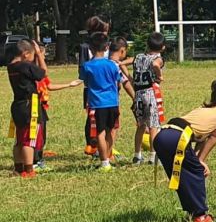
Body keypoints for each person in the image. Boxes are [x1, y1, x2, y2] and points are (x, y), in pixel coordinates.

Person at [153, 78, 216, 222]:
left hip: (162, 136)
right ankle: (200, 217)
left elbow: (200, 137)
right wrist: (201, 161)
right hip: (177, 138)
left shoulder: (205, 109)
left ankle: (193, 213)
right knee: (197, 172)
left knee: (182, 177)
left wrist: (198, 157)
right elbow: (214, 136)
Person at [8, 40, 80, 176]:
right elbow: (44, 73)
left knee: (19, 139)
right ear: (25, 54)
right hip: (30, 105)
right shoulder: (25, 66)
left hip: (17, 104)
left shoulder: (11, 66)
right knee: (29, 139)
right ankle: (29, 170)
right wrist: (40, 55)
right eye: (33, 55)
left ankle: (18, 168)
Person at [81, 32, 135, 170]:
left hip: (97, 104)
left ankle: (104, 162)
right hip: (113, 103)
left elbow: (86, 82)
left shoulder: (87, 66)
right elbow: (118, 81)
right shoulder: (113, 65)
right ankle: (109, 156)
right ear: (106, 48)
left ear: (90, 49)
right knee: (112, 130)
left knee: (100, 132)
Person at [131, 32, 167, 165]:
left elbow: (122, 63)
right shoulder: (158, 58)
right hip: (150, 92)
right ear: (163, 47)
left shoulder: (139, 57)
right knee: (153, 125)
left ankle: (137, 155)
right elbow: (156, 65)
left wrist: (130, 79)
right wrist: (160, 75)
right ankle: (153, 156)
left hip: (138, 93)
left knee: (141, 125)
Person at [79, 15, 110, 156]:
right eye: (104, 31)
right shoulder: (85, 47)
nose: (106, 34)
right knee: (92, 116)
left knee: (106, 117)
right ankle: (92, 144)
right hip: (91, 88)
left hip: (108, 88)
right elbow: (82, 67)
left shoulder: (107, 45)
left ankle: (105, 145)